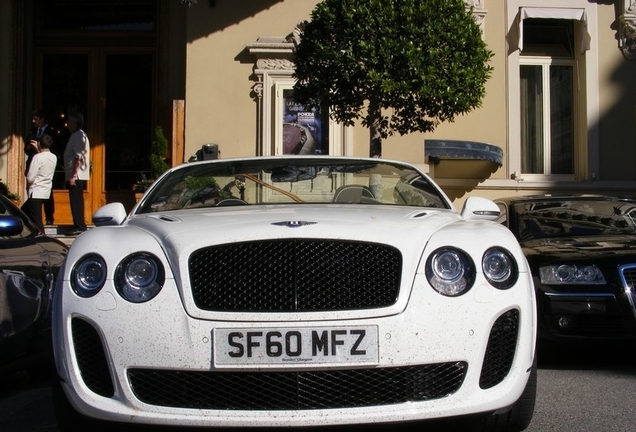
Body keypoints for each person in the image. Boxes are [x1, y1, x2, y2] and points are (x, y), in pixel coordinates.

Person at [22, 134, 57, 233]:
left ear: (40, 144)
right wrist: (38, 149)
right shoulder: (53, 157)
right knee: (23, 212)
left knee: (37, 221)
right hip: (46, 191)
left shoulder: (37, 157)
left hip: (36, 191)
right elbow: (43, 159)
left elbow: (30, 178)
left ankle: (42, 239)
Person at [27, 109, 57, 225]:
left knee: (37, 220)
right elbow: (26, 147)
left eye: (36, 119)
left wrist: (38, 151)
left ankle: (49, 219)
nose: (34, 121)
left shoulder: (39, 157)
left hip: (37, 188)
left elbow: (30, 178)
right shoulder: (32, 132)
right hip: (42, 186)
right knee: (25, 211)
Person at [63, 112, 90, 235]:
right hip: (74, 175)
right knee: (75, 200)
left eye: (69, 121)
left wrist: (73, 176)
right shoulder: (75, 135)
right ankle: (77, 224)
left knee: (76, 200)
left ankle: (80, 225)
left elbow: (78, 157)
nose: (67, 124)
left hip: (77, 176)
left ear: (75, 123)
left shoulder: (79, 136)